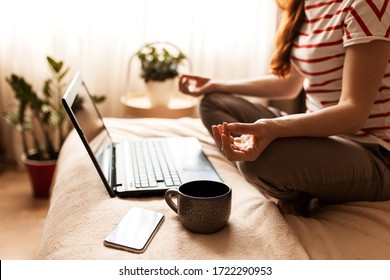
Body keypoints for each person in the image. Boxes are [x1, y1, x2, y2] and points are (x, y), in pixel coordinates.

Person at [178, 0, 390, 215]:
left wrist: (275, 127)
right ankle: (300, 181)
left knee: (256, 163)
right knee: (212, 101)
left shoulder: (366, 4)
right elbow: (288, 85)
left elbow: (354, 113)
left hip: (374, 151)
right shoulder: (309, 4)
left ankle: (296, 190)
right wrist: (216, 84)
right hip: (322, 135)